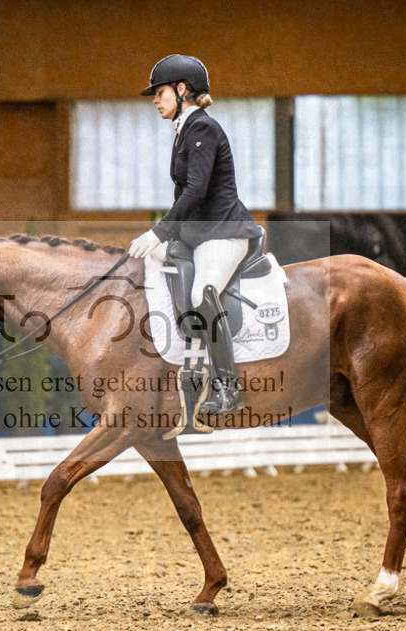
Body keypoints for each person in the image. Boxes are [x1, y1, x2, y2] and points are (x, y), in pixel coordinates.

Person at [128, 54, 263, 415]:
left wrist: (159, 232)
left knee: (203, 292)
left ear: (182, 90)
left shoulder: (202, 127)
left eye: (159, 93)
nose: (155, 101)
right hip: (201, 235)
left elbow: (195, 192)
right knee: (142, 264)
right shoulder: (184, 129)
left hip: (225, 233)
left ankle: (227, 387)